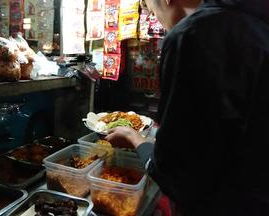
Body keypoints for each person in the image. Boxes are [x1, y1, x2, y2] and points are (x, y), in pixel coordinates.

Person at [105, 0, 269, 215]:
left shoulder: (191, 35)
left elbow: (174, 171)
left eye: (152, 12)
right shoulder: (257, 24)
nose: (159, 23)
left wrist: (134, 138)